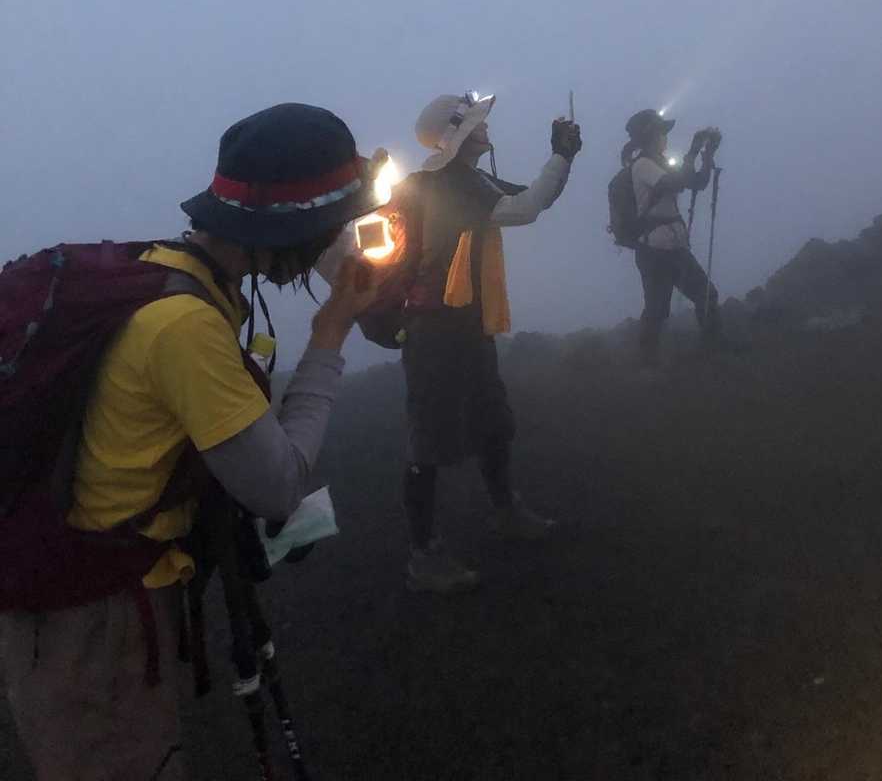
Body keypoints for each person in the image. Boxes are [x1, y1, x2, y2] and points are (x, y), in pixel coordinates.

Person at [0, 103, 383, 781]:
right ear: (289, 230)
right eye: (332, 229)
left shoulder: (172, 268)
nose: (337, 243)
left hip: (91, 604)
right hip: (93, 620)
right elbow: (278, 485)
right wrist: (330, 332)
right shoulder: (186, 325)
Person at [397, 91, 581, 594]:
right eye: (475, 122)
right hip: (438, 327)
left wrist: (561, 160)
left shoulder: (461, 179)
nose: (484, 127)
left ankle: (504, 513)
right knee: (430, 438)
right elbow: (523, 209)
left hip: (459, 321)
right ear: (456, 136)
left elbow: (530, 199)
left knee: (490, 419)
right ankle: (424, 555)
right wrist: (561, 155)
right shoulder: (451, 181)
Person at [622, 108, 721, 365]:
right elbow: (676, 183)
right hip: (655, 250)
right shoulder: (643, 165)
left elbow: (697, 182)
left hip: (670, 246)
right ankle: (647, 367)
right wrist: (692, 152)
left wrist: (707, 155)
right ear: (650, 136)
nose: (665, 138)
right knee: (658, 312)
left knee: (704, 296)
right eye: (661, 133)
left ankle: (710, 356)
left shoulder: (658, 163)